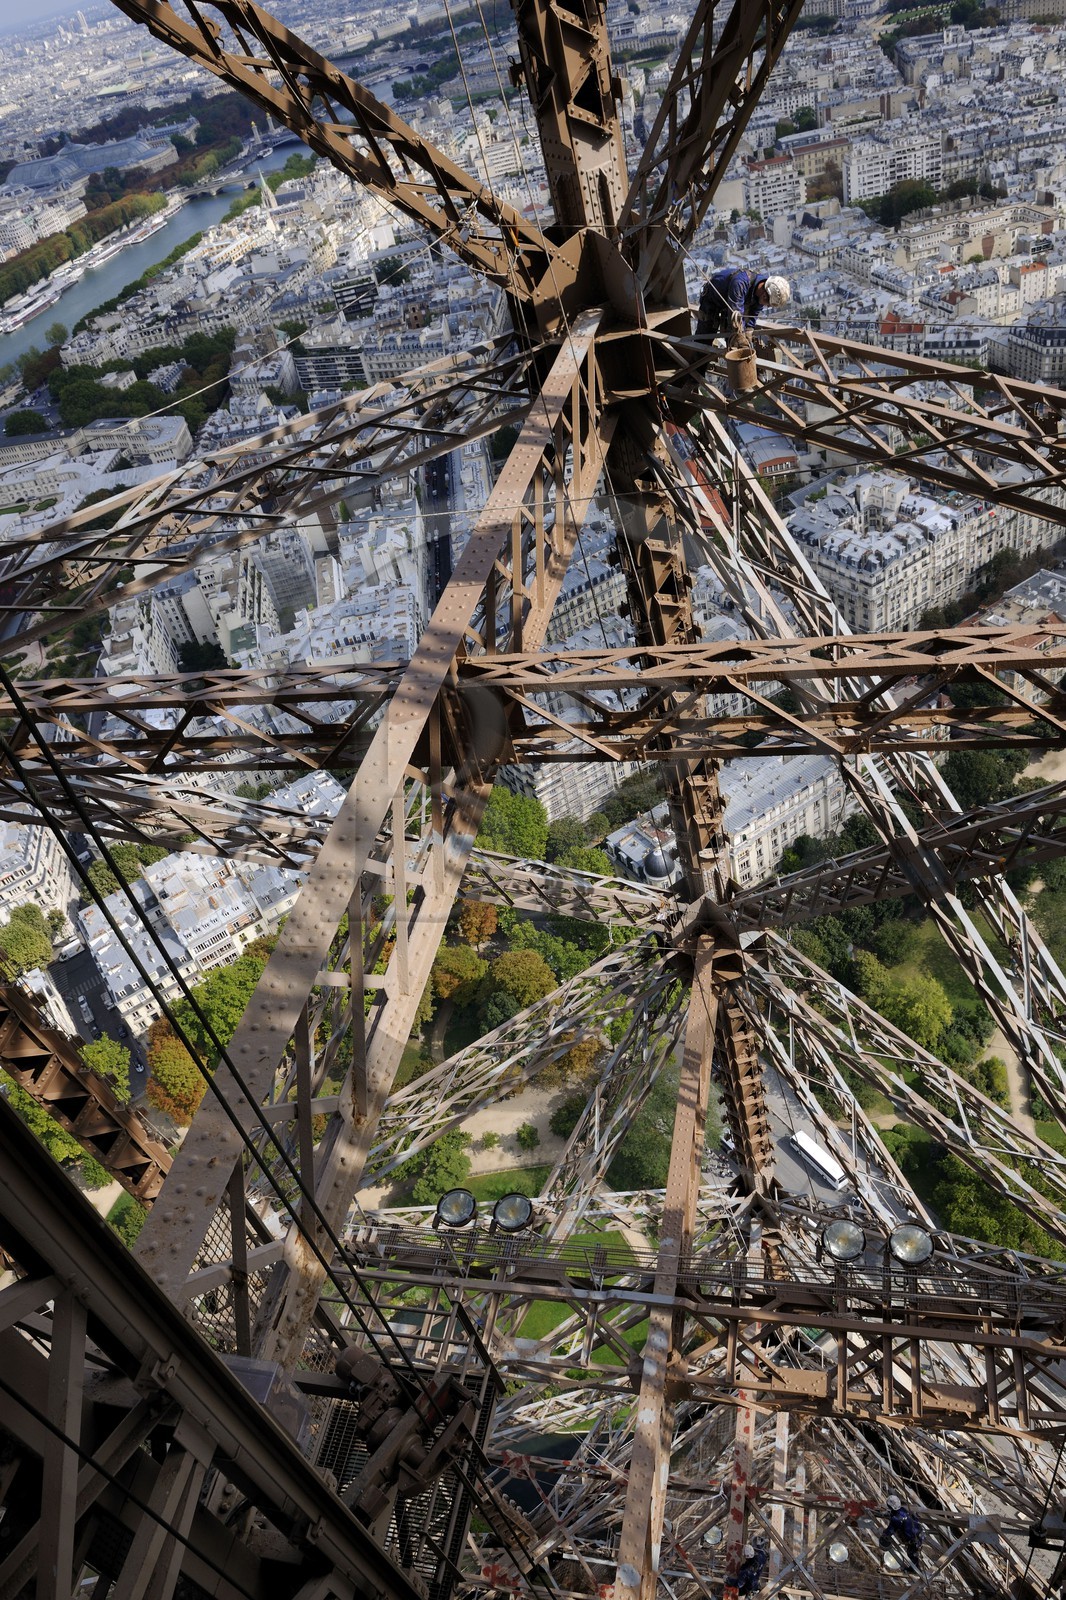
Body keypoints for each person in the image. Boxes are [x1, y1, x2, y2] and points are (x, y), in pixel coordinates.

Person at [695, 270, 791, 344]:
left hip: (730, 302)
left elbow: (754, 313)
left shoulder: (761, 288)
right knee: (705, 337)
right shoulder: (740, 283)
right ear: (764, 294)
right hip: (713, 300)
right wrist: (740, 336)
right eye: (767, 302)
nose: (767, 305)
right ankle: (697, 367)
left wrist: (749, 329)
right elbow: (735, 315)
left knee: (733, 339)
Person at [879, 1495, 924, 1566]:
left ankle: (914, 1569)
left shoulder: (895, 1519)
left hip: (913, 1539)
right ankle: (914, 1567)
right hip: (920, 1533)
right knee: (913, 1552)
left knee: (911, 1554)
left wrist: (884, 1534)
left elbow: (890, 1531)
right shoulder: (903, 1509)